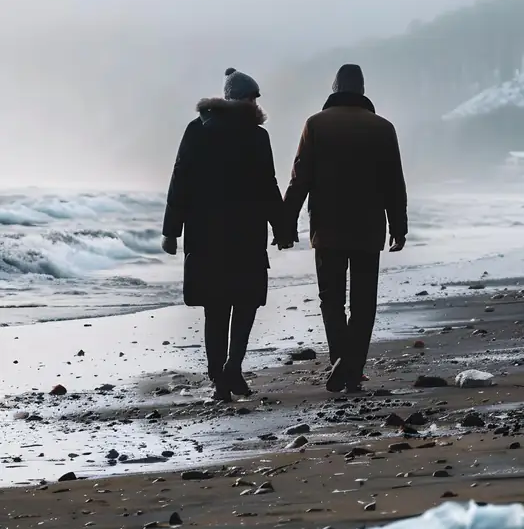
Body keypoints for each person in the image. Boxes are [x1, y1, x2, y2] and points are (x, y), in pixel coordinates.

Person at [161, 68, 286, 402]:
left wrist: (171, 231)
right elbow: (268, 186)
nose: (254, 102)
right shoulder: (257, 137)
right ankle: (230, 369)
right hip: (245, 235)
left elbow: (180, 180)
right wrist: (282, 226)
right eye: (251, 96)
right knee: (243, 305)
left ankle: (223, 376)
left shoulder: (199, 130)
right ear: (239, 98)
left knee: (216, 310)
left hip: (207, 236)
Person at [282, 64, 407, 393]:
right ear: (362, 90)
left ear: (335, 89)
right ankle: (352, 369)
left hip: (327, 228)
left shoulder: (315, 125)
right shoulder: (382, 128)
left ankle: (341, 360)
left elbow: (300, 179)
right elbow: (394, 182)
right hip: (368, 229)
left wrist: (285, 223)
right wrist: (399, 226)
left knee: (332, 300)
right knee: (364, 303)